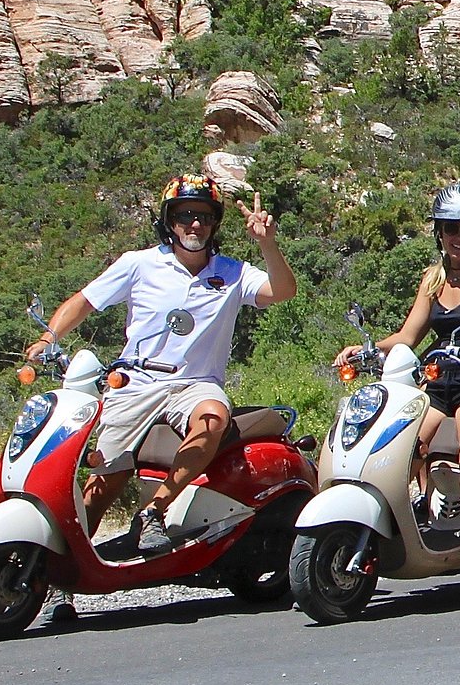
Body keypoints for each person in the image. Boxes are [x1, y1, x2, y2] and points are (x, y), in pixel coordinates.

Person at [32, 174, 297, 556]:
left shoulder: (233, 272)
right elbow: (84, 302)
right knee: (105, 479)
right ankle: (62, 573)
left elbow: (284, 291)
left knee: (213, 417)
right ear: (169, 221)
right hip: (136, 381)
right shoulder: (138, 264)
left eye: (205, 217)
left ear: (215, 224)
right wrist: (47, 338)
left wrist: (267, 244)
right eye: (186, 215)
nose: (195, 224)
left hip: (195, 383)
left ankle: (154, 510)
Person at [337, 184, 460, 617]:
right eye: (450, 228)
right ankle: (420, 520)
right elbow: (408, 337)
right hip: (439, 378)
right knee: (400, 446)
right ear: (438, 232)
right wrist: (367, 350)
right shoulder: (434, 277)